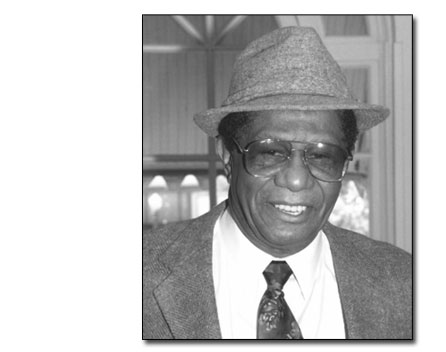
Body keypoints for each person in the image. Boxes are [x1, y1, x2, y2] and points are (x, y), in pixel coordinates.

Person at [143, 26, 412, 339]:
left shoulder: (402, 282)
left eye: (323, 157)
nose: (297, 180)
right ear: (227, 155)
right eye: (270, 152)